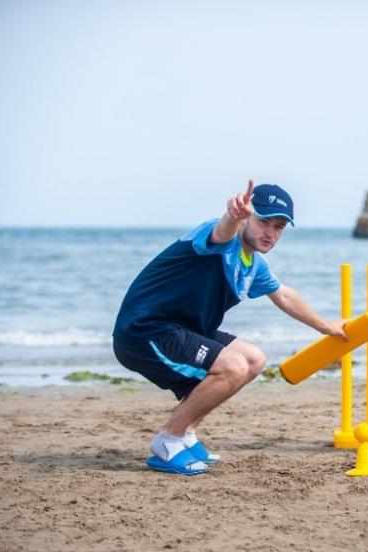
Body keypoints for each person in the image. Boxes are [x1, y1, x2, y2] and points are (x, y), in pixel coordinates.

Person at [112, 180, 347, 475]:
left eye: (279, 227)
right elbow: (220, 234)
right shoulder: (217, 236)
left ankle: (185, 433)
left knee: (253, 359)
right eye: (264, 221)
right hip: (146, 330)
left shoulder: (253, 264)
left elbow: (283, 295)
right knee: (232, 367)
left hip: (184, 328)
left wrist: (325, 326)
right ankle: (167, 440)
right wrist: (232, 217)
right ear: (247, 216)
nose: (270, 233)